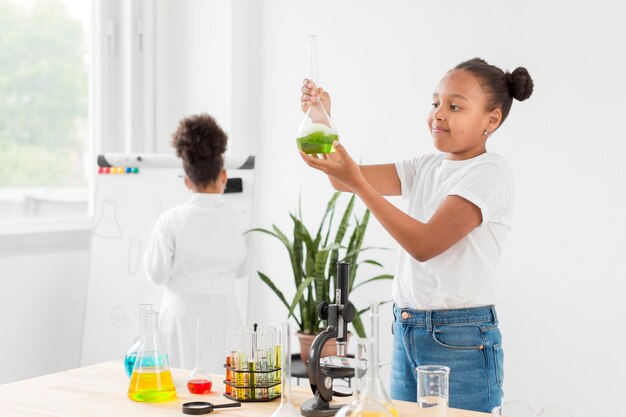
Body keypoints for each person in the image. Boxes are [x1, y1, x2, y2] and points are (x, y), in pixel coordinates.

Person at [299, 58, 533, 413]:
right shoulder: (425, 166)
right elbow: (340, 178)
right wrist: (321, 117)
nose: (439, 114)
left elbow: (424, 244)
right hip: (407, 328)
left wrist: (358, 182)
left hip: (461, 338)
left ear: (492, 119)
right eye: (435, 103)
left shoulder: (491, 172)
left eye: (455, 106)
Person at [143, 113, 248, 372]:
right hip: (224, 315)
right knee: (225, 393)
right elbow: (242, 269)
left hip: (181, 316)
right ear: (223, 175)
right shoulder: (239, 220)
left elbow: (156, 273)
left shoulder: (170, 220)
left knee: (178, 394)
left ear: (187, 180)